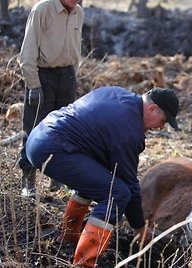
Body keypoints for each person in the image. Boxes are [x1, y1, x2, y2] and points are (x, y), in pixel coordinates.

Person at [26, 86, 180, 267]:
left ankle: (69, 237)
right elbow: (128, 183)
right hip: (54, 149)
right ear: (152, 108)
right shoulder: (129, 131)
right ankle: (84, 262)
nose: (161, 127)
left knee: (100, 180)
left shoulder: (117, 92)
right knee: (118, 193)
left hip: (39, 136)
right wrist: (139, 227)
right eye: (163, 120)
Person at [19, 0, 84, 196]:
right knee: (34, 127)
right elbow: (28, 50)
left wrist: (73, 77)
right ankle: (28, 179)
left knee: (64, 129)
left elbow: (75, 49)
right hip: (43, 75)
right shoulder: (42, 9)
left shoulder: (78, 12)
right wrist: (33, 84)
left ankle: (59, 177)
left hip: (66, 76)